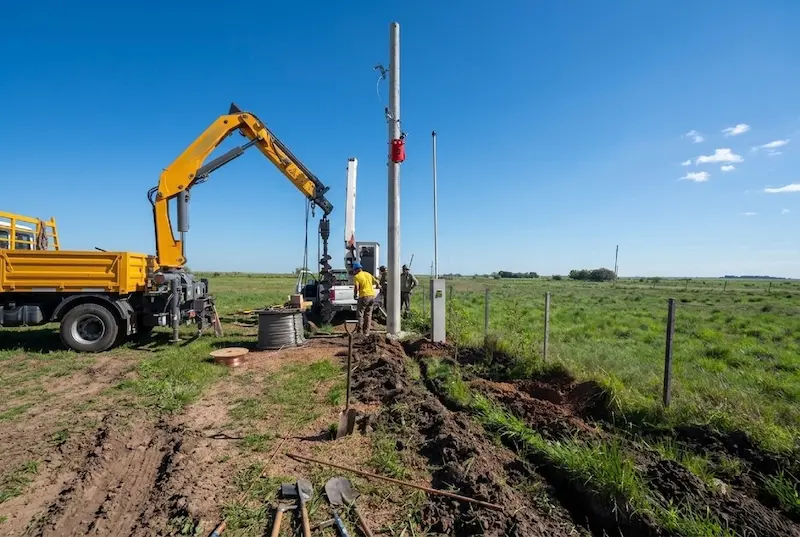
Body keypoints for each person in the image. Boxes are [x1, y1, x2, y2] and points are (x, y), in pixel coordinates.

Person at [352, 262, 378, 335]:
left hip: (364, 296)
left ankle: (359, 332)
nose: (354, 272)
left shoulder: (357, 276)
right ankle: (366, 332)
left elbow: (356, 287)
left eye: (354, 270)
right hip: (372, 296)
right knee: (368, 314)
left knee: (360, 314)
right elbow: (376, 281)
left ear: (356, 269)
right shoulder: (368, 274)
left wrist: (355, 294)